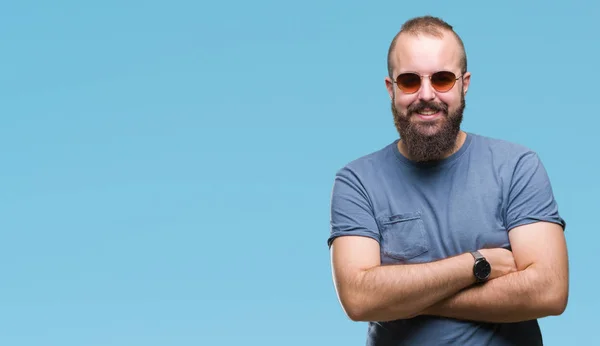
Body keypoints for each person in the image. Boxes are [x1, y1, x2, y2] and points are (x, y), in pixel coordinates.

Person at [327, 15, 569, 346]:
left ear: (464, 83)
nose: (426, 95)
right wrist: (476, 265)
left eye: (442, 79)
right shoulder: (357, 181)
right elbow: (358, 299)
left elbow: (549, 291)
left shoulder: (517, 167)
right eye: (410, 81)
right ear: (391, 88)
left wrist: (406, 299)